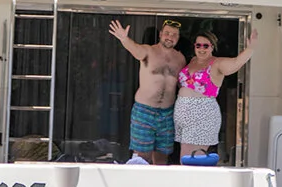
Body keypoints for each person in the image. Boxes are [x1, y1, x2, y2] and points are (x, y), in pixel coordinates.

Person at [109, 18, 186, 164]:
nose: (170, 37)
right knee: (141, 157)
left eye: (174, 34)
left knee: (162, 157)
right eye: (167, 33)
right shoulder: (148, 51)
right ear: (160, 34)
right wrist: (124, 38)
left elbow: (183, 85)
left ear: (178, 38)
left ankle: (158, 186)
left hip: (167, 113)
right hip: (144, 111)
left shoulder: (180, 59)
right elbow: (135, 49)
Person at [174, 27, 258, 159]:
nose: (202, 49)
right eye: (198, 45)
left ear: (212, 47)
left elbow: (235, 63)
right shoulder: (192, 61)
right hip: (184, 119)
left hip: (202, 117)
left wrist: (250, 49)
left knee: (191, 159)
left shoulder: (217, 63)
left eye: (206, 46)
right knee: (186, 157)